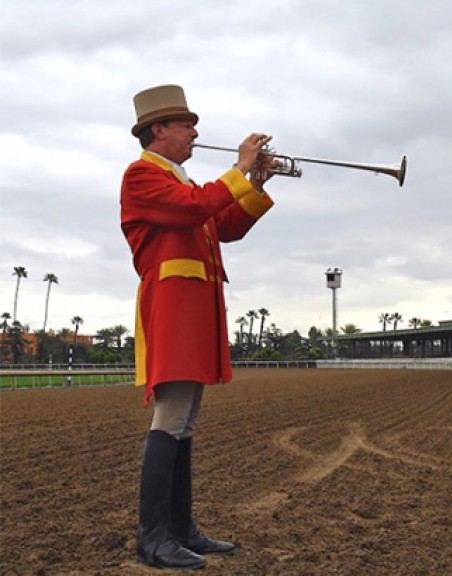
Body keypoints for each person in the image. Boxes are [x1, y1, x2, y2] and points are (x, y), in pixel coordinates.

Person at [120, 84, 277, 570]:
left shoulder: (182, 182)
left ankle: (179, 529)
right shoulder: (142, 176)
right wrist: (240, 170)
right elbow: (197, 209)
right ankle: (153, 539)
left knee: (184, 422)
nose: (194, 131)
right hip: (172, 308)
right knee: (170, 419)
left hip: (195, 308)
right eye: (186, 124)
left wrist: (258, 184)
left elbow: (221, 226)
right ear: (159, 131)